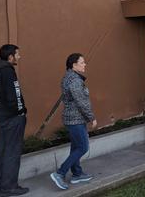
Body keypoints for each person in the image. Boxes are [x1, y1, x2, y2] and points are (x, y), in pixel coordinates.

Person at [49, 53, 97, 191]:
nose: (85, 64)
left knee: (76, 147)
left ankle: (77, 173)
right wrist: (91, 118)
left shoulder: (70, 77)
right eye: (82, 62)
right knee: (82, 147)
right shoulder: (75, 80)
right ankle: (60, 173)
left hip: (74, 118)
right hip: (75, 119)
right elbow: (81, 102)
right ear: (74, 65)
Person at [0, 44, 29, 196]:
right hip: (12, 118)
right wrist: (21, 112)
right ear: (10, 56)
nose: (19, 57)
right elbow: (15, 96)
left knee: (2, 151)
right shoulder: (7, 71)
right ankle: (9, 187)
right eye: (17, 54)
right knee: (12, 151)